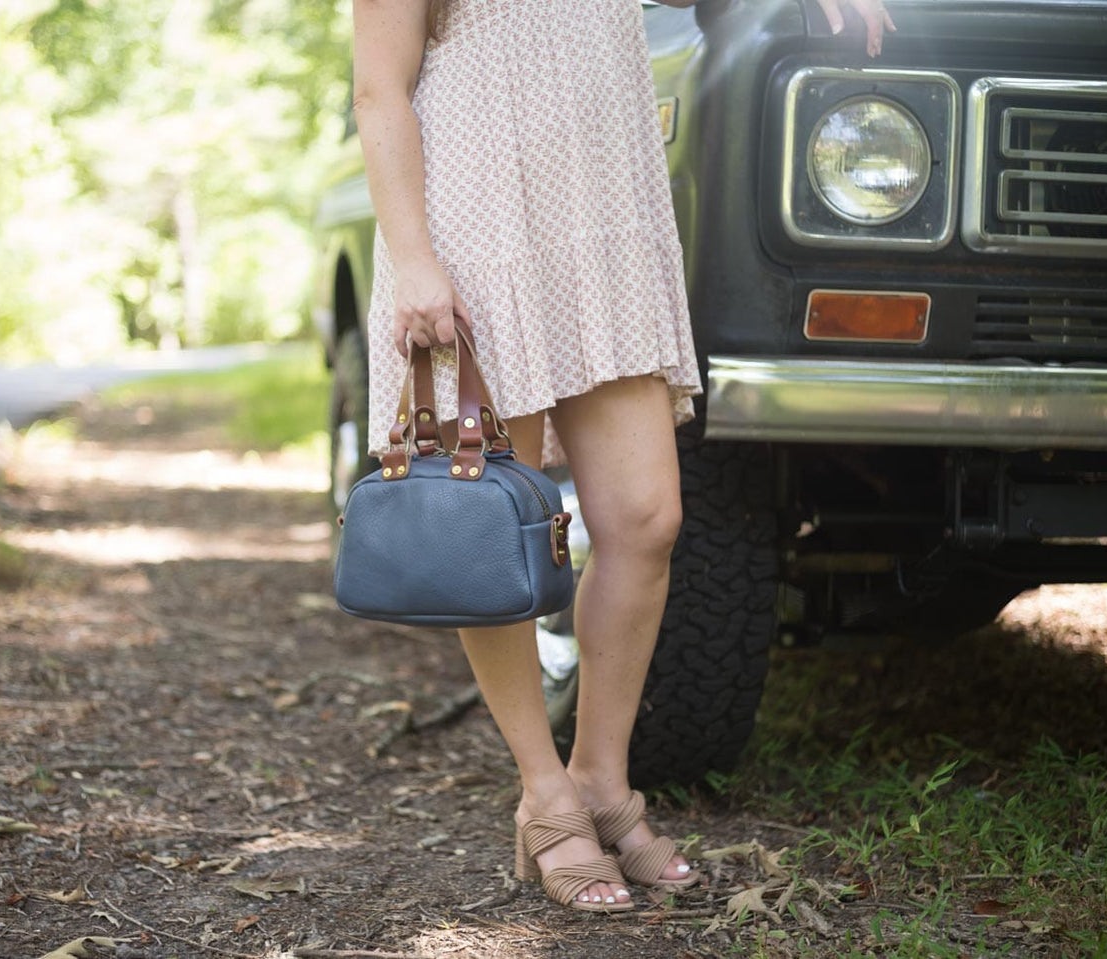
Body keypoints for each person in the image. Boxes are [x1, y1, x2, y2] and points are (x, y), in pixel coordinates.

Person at [351, 0, 894, 913]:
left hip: (604, 224)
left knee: (646, 518)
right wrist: (413, 259)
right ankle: (545, 792)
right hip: (475, 226)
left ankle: (601, 778)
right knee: (485, 524)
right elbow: (378, 89)